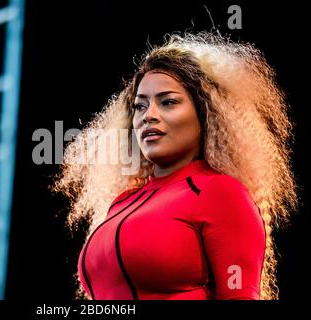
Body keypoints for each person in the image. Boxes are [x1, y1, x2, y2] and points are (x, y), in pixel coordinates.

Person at [53, 32, 297, 300]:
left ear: (206, 113)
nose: (149, 116)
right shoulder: (120, 203)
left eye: (168, 102)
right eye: (140, 106)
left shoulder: (220, 193)